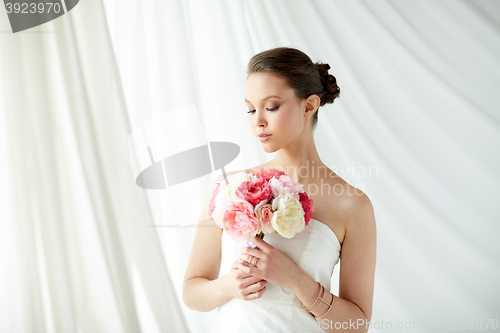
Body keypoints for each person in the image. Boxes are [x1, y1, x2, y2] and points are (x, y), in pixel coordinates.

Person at [183, 47, 376, 333]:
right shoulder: (230, 187)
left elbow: (357, 325)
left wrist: (296, 280)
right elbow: (192, 290)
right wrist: (228, 286)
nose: (257, 121)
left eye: (271, 107)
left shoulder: (352, 205)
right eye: (251, 109)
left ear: (309, 106)